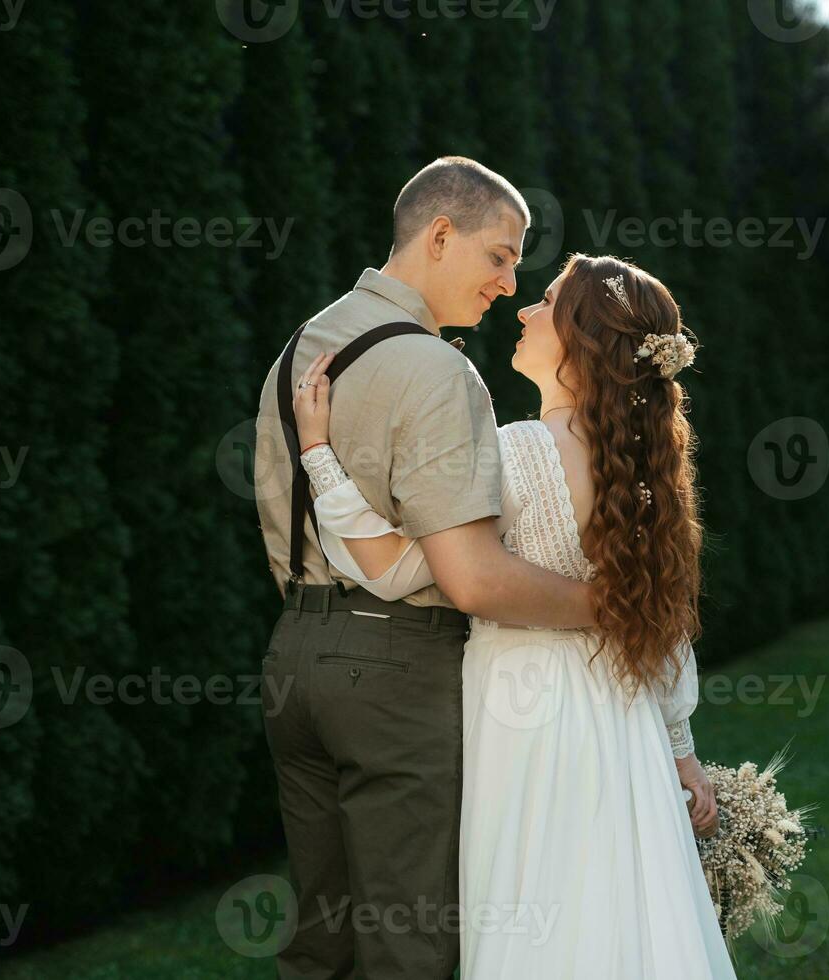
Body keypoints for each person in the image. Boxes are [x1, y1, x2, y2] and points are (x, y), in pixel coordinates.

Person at [293, 252, 737, 978]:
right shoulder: (645, 465)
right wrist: (680, 750)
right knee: (620, 906)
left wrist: (320, 456)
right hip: (622, 720)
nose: (525, 311)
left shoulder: (513, 452)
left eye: (547, 302)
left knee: (536, 905)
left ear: (582, 339)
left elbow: (395, 566)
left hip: (521, 713)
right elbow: (662, 636)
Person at [254, 157, 598, 980]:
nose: (511, 284)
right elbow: (474, 578)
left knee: (322, 949)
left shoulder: (299, 348)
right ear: (440, 234)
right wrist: (612, 605)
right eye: (500, 255)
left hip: (292, 664)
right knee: (411, 948)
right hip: (397, 675)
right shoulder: (438, 371)